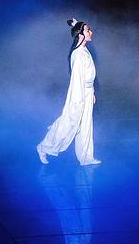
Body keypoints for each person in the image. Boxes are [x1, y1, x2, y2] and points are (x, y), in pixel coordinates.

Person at [37, 18, 101, 166]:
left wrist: (91, 93)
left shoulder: (84, 50)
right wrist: (80, 100)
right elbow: (77, 80)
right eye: (88, 30)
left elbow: (87, 76)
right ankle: (43, 147)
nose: (91, 32)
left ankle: (86, 157)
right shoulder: (78, 55)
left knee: (86, 125)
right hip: (79, 94)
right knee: (69, 123)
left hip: (87, 92)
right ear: (81, 34)